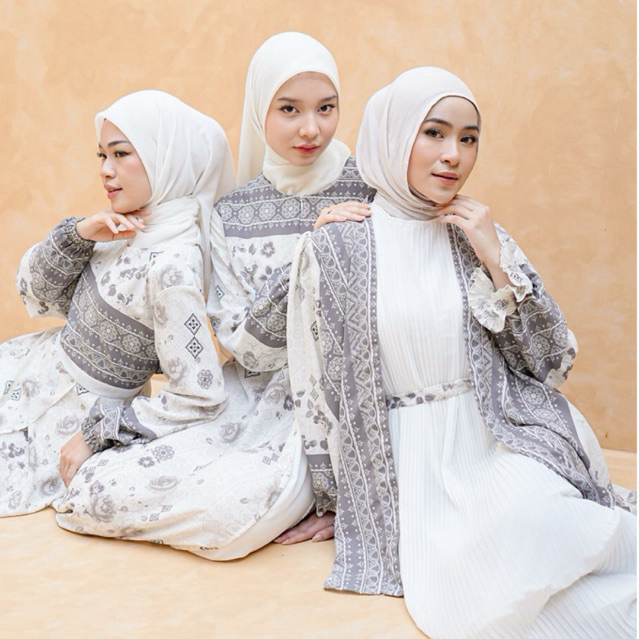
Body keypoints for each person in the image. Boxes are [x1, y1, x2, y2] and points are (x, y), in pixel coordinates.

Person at [287, 67, 636, 638]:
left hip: (497, 436)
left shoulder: (476, 233)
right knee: (480, 588)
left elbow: (551, 363)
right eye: (434, 133)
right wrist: (332, 497)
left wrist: (498, 260)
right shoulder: (338, 244)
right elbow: (313, 384)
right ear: (394, 136)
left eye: (468, 138)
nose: (454, 155)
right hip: (410, 460)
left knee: (549, 519)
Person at [56, 32, 374, 559]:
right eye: (289, 109)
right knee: (98, 489)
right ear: (259, 111)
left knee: (228, 520)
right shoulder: (233, 212)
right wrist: (308, 255)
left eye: (326, 107)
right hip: (251, 399)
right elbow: (246, 348)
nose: (311, 128)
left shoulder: (370, 190)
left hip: (336, 406)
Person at [0, 90, 234, 517]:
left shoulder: (173, 269)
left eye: (121, 154)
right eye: (102, 155)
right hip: (25, 371)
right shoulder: (122, 229)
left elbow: (200, 394)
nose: (105, 170)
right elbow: (35, 293)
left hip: (67, 422)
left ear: (166, 160)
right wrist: (79, 236)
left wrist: (98, 431)